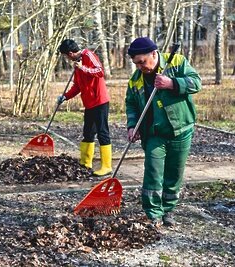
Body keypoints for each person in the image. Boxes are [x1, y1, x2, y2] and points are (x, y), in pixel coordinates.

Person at [125, 37, 202, 227]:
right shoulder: (135, 81)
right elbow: (131, 105)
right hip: (154, 133)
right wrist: (132, 126)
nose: (140, 67)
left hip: (181, 129)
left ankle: (168, 210)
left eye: (142, 62)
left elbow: (196, 83)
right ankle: (153, 214)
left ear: (153, 54)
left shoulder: (176, 62)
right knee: (153, 172)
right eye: (136, 64)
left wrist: (172, 84)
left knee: (174, 173)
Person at [57, 39, 112, 177]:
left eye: (66, 56)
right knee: (88, 133)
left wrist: (83, 68)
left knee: (102, 132)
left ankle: (106, 166)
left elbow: (100, 71)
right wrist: (65, 96)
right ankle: (85, 163)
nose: (67, 59)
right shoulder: (77, 65)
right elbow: (77, 86)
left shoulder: (88, 55)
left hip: (100, 101)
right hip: (89, 104)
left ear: (70, 53)